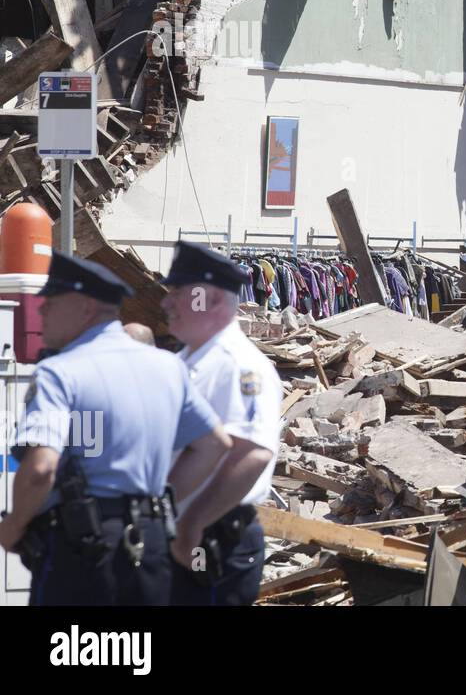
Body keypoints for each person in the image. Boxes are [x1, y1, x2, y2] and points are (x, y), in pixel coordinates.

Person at [0, 252, 230, 606]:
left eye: (51, 302)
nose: (40, 310)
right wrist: (162, 500)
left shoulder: (60, 372)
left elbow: (40, 469)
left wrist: (13, 527)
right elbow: (214, 445)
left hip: (79, 548)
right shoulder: (169, 368)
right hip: (151, 542)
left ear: (85, 307)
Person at [161, 242, 282, 605]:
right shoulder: (188, 359)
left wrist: (192, 523)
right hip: (184, 531)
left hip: (212, 536)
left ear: (209, 300)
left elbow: (253, 454)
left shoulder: (239, 364)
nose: (166, 303)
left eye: (177, 293)